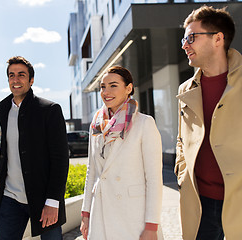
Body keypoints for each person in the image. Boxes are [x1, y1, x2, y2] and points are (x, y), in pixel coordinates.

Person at [176, 5, 242, 240]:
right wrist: (182, 173)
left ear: (218, 39)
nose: (185, 44)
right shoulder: (185, 89)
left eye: (191, 37)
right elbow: (181, 140)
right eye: (184, 39)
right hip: (200, 201)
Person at [0, 56, 69, 240]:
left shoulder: (49, 110)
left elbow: (60, 159)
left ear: (31, 80)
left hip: (44, 199)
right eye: (11, 75)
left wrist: (53, 201)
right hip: (10, 198)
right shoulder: (3, 110)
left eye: (21, 75)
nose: (16, 80)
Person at [80, 66, 163, 240]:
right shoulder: (96, 125)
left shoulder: (144, 123)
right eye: (103, 87)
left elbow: (154, 179)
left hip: (133, 216)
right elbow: (91, 171)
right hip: (100, 212)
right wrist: (85, 214)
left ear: (128, 88)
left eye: (113, 85)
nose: (106, 92)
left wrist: (151, 225)